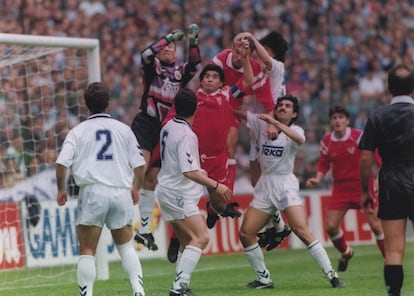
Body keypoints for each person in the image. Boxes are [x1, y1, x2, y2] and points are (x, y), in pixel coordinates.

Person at [235, 95, 346, 289]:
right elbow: (240, 113)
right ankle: (264, 279)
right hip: (265, 184)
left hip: (285, 183)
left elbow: (300, 139)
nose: (283, 108)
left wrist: (274, 122)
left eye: (288, 106)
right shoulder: (262, 125)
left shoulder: (295, 130)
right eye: (280, 105)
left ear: (294, 113)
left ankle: (332, 275)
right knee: (246, 233)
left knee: (301, 230)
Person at [55, 82, 146, 296]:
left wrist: (61, 189)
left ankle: (86, 294)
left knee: (87, 250)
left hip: (92, 192)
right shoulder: (124, 129)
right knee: (126, 246)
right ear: (108, 103)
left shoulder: (78, 132)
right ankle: (138, 291)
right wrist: (136, 188)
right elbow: (140, 165)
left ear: (86, 104)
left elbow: (61, 164)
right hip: (120, 191)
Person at [166, 42, 254, 263]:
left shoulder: (228, 95)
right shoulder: (190, 98)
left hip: (217, 158)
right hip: (193, 159)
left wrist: (244, 59)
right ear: (201, 80)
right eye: (207, 77)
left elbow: (249, 81)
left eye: (215, 77)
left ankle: (214, 211)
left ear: (222, 82)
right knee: (186, 204)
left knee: (221, 204)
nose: (210, 79)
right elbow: (171, 120)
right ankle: (176, 238)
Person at [131, 24, 201, 251]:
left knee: (152, 179)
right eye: (165, 47)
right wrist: (169, 37)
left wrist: (192, 41)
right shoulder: (154, 67)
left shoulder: (180, 71)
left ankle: (143, 232)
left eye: (172, 47)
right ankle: (129, 193)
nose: (168, 49)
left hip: (163, 130)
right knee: (140, 167)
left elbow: (196, 64)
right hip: (146, 122)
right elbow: (146, 54)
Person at [155, 88, 232, 296]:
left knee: (187, 241)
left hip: (167, 189)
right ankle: (179, 287)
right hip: (177, 193)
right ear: (196, 107)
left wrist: (200, 170)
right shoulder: (186, 134)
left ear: (175, 107)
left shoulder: (168, 126)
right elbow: (188, 171)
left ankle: (181, 285)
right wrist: (216, 185)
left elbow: (180, 163)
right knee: (201, 237)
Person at [207, 32, 277, 228]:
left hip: (230, 111)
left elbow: (267, 100)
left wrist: (272, 123)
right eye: (236, 51)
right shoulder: (221, 59)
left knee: (230, 147)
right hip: (210, 110)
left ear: (250, 54)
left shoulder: (255, 69)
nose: (237, 56)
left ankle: (224, 197)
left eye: (243, 53)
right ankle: (213, 202)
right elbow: (207, 85)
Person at [306, 105, 385, 272]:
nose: (337, 121)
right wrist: (317, 178)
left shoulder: (358, 137)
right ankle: (346, 252)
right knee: (331, 227)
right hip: (340, 189)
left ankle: (389, 261)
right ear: (330, 121)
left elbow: (376, 156)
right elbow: (323, 163)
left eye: (341, 117)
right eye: (334, 118)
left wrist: (378, 177)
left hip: (363, 186)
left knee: (376, 225)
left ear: (347, 120)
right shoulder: (327, 141)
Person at [359, 64, 414, 296]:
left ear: (389, 88)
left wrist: (365, 191)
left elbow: (365, 159)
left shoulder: (377, 116)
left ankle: (394, 293)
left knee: (393, 250)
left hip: (391, 181)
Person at [235, 30, 292, 251]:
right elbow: (248, 82)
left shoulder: (276, 66)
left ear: (271, 51)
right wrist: (246, 57)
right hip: (259, 122)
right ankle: (277, 225)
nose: (261, 53)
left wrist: (250, 37)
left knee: (264, 179)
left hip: (271, 124)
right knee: (256, 178)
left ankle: (277, 223)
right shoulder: (262, 71)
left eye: (264, 48)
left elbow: (266, 59)